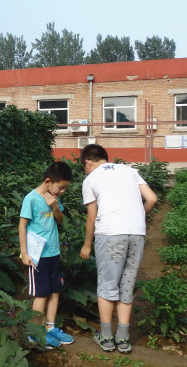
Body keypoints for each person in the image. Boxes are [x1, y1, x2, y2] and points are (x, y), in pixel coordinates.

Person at [78, 144, 158, 354]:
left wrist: (87, 244)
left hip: (111, 234)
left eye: (84, 166)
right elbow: (152, 198)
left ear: (87, 162)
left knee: (107, 285)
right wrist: (138, 216)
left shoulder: (91, 179)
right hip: (136, 233)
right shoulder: (130, 171)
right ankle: (123, 339)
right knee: (126, 285)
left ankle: (106, 337)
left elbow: (92, 216)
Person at [19, 161, 75, 349]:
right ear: (49, 180)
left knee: (55, 291)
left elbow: (59, 221)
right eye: (61, 187)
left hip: (54, 253)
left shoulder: (54, 198)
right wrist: (24, 252)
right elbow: (22, 225)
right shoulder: (32, 199)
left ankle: (50, 328)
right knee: (41, 294)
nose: (62, 192)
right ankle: (36, 334)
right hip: (38, 256)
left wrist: (56, 208)